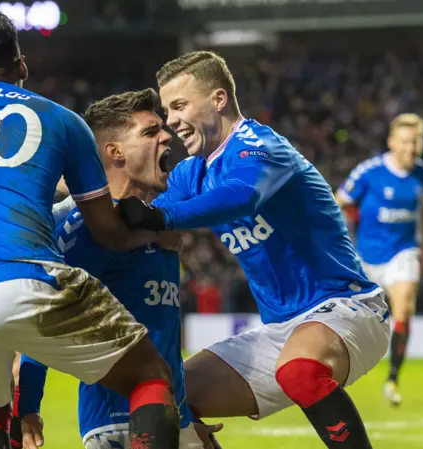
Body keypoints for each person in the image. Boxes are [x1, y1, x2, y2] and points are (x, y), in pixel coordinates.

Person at [0, 11, 180, 449]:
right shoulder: (60, 119)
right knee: (151, 376)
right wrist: (153, 234)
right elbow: (108, 233)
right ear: (22, 67)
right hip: (23, 273)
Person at [118, 51, 390, 449]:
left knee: (300, 370)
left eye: (179, 106)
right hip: (281, 330)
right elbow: (146, 220)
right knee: (164, 397)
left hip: (347, 308)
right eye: (167, 110)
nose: (172, 120)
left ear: (218, 99)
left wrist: (160, 219)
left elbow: (241, 196)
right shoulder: (193, 172)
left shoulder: (261, 145)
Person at [17, 89, 220, 449]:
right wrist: (28, 407)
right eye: (149, 131)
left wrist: (186, 421)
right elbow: (43, 314)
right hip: (119, 424)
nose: (166, 136)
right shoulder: (84, 225)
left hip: (167, 414)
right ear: (115, 152)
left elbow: (163, 341)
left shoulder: (154, 222)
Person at [335, 113, 423, 407]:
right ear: (391, 142)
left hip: (403, 253)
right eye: (405, 141)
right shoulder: (369, 172)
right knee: (346, 320)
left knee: (404, 308)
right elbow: (337, 202)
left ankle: (392, 379)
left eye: (416, 141)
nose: (411, 148)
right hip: (365, 258)